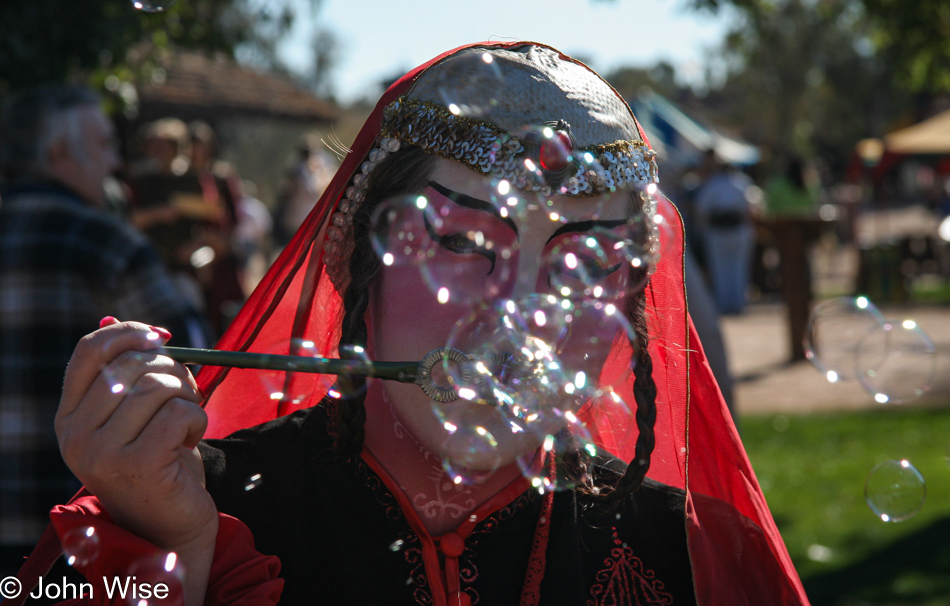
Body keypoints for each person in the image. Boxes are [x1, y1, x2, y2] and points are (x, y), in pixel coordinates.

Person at [14, 44, 809, 605]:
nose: (521, 308)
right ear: (356, 263)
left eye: (588, 261)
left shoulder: (693, 556)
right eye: (463, 244)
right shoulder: (183, 505)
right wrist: (160, 556)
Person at [0, 85, 208, 578]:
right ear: (56, 152)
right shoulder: (106, 242)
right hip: (73, 528)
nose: (115, 162)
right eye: (103, 145)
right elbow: (191, 359)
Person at [693, 150, 756, 315]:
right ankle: (737, 304)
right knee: (736, 268)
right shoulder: (741, 183)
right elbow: (751, 207)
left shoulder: (714, 183)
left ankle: (726, 305)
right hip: (733, 230)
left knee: (722, 269)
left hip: (720, 230)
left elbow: (701, 209)